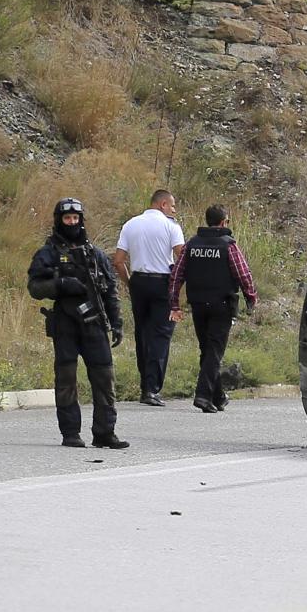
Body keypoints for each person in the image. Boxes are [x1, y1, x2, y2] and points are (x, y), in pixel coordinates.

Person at [27, 198, 129, 448]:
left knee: (104, 378)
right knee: (66, 379)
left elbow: (110, 291)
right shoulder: (48, 253)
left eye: (75, 218)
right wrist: (60, 285)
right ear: (59, 221)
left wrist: (116, 323)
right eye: (67, 219)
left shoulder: (95, 255)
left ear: (81, 220)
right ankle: (70, 433)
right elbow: (35, 287)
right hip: (66, 325)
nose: (72, 223)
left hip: (94, 324)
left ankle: (105, 432)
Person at [168, 204, 258, 413]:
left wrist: (174, 303)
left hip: (198, 304)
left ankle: (217, 397)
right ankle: (203, 395)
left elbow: (177, 276)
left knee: (207, 350)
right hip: (222, 305)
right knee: (214, 352)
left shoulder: (192, 244)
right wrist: (251, 297)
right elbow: (243, 274)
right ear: (223, 222)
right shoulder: (228, 245)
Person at [114, 189, 184, 407]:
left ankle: (145, 382)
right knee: (161, 335)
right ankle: (152, 389)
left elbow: (118, 260)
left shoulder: (130, 224)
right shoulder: (171, 226)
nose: (174, 210)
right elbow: (182, 256)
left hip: (138, 282)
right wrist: (180, 285)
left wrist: (130, 282)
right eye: (172, 206)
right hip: (162, 283)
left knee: (142, 333)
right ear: (162, 204)